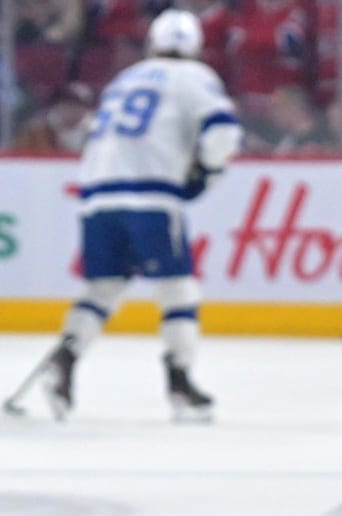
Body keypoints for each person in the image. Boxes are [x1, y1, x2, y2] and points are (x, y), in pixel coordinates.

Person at [33, 8, 242, 422]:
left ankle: (64, 360)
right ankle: (180, 380)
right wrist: (208, 173)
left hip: (96, 193)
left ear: (153, 43)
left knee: (103, 286)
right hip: (150, 194)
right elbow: (222, 131)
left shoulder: (124, 78)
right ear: (195, 46)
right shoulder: (196, 77)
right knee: (178, 287)